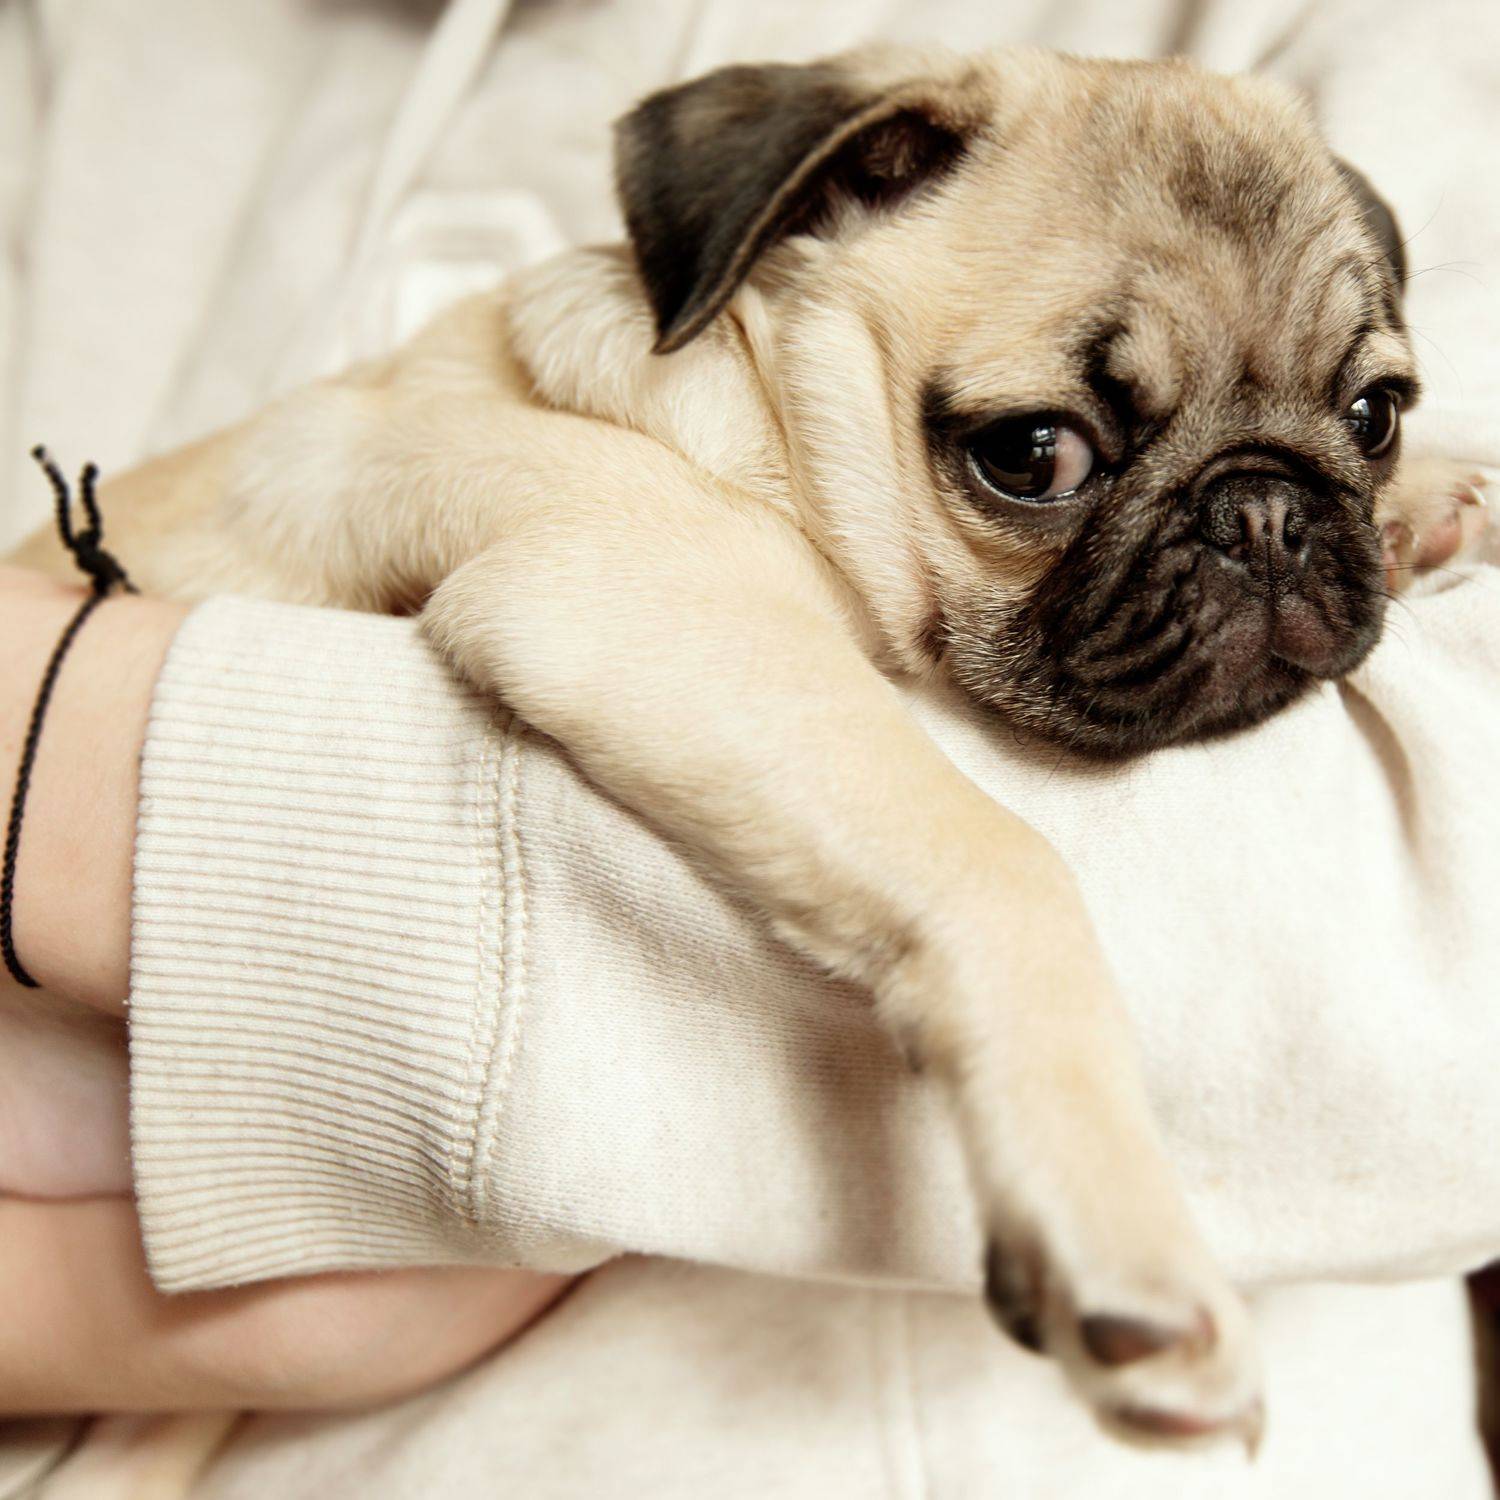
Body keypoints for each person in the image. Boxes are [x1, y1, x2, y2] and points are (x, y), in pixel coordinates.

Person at [3, 2, 1499, 1495]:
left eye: (1362, 416)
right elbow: (715, 679)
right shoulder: (576, 456)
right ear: (784, 230)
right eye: (1037, 457)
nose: (1263, 537)